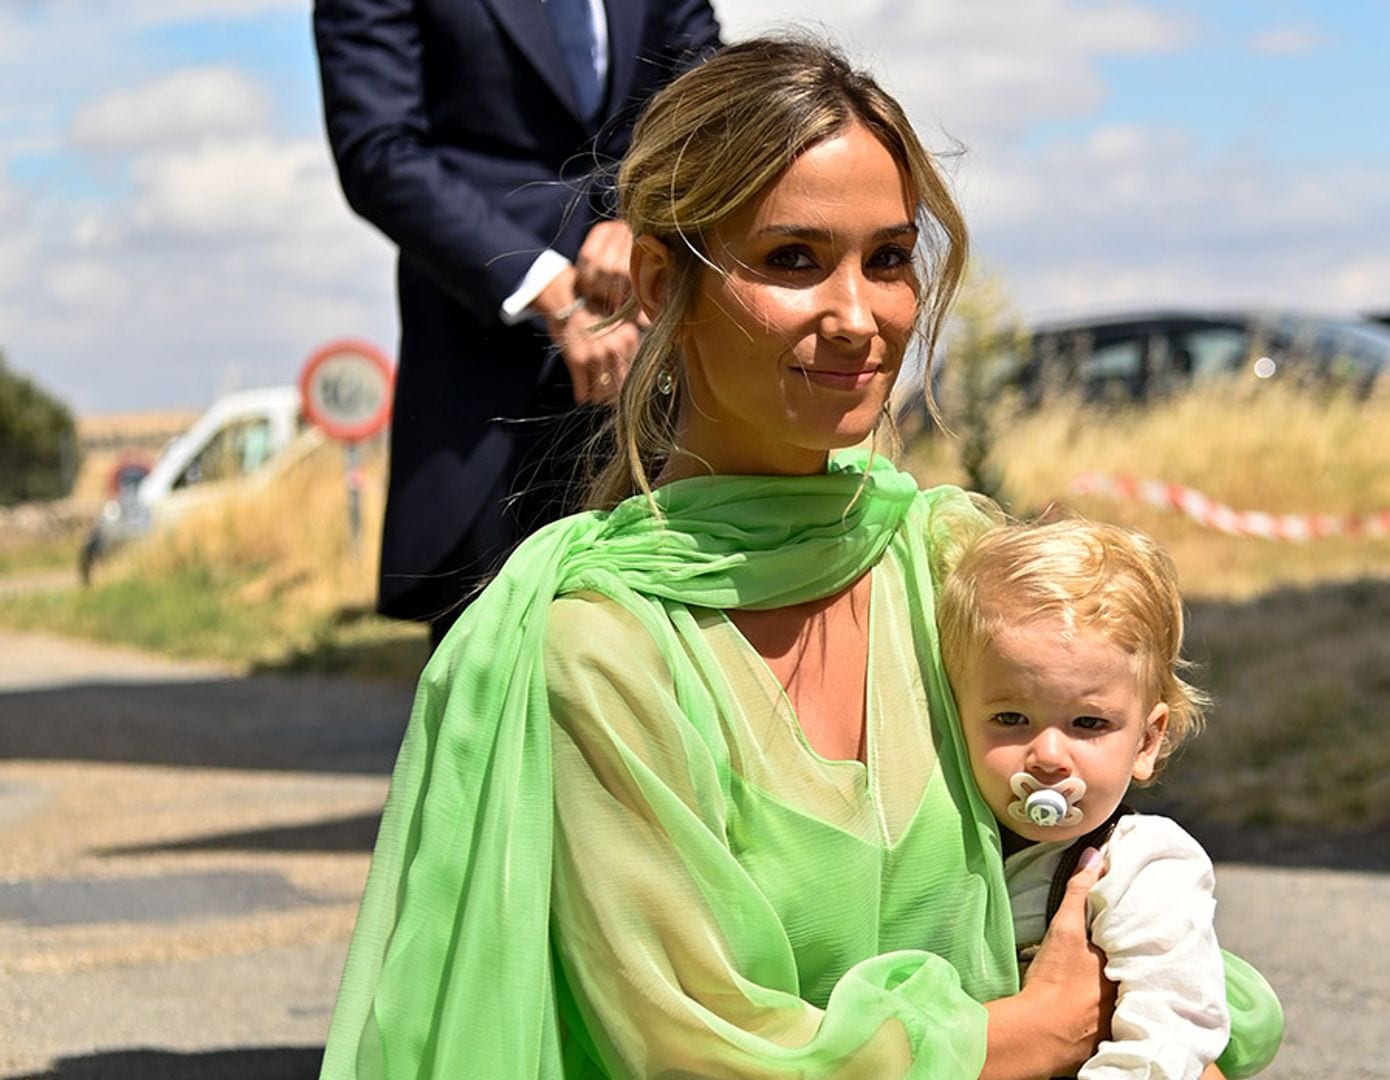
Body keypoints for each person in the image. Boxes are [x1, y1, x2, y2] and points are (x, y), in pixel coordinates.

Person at [320, 37, 1282, 1079]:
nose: (860, 318)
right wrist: (1026, 1036)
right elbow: (690, 1047)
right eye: (791, 260)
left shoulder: (949, 561)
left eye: (886, 258)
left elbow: (1091, 906)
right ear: (659, 283)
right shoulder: (599, 648)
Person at [313, 0, 722, 641]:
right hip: (483, 398)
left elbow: (709, 98)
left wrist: (639, 220)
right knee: (491, 698)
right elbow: (380, 152)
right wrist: (549, 290)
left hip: (663, 380)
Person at [939, 518, 1259, 1080]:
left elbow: (1170, 1028)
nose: (1049, 755)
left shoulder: (1141, 864)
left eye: (1089, 723)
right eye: (1011, 718)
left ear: (1147, 741)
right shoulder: (940, 834)